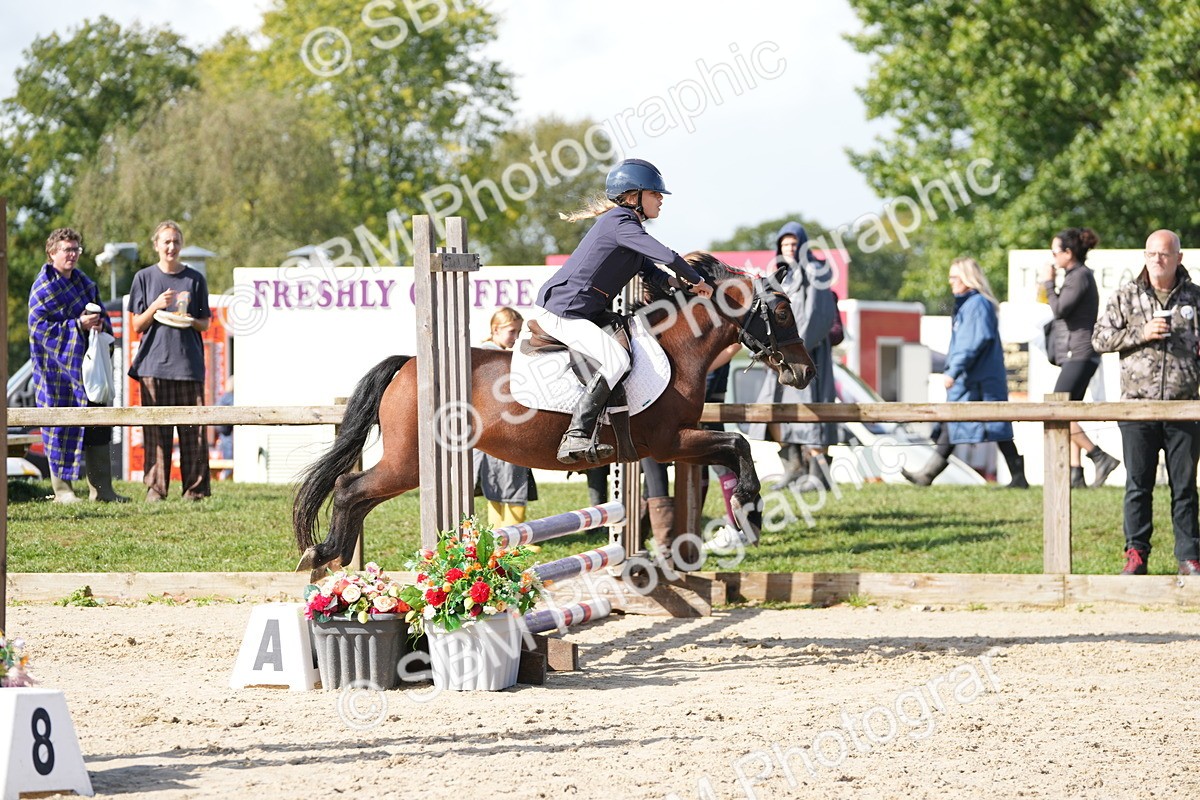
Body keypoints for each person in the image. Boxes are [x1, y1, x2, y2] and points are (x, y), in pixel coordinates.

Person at [534, 158, 713, 465]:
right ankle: (576, 433)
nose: (660, 200)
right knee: (616, 358)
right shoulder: (620, 223)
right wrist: (697, 280)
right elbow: (666, 255)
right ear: (633, 197)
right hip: (564, 311)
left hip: (585, 311)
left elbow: (650, 269)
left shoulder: (626, 227)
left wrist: (675, 283)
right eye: (655, 194)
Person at [1092, 230, 1200, 576]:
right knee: (1138, 485)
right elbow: (1099, 338)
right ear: (1144, 256)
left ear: (1178, 258)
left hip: (1184, 407)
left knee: (1184, 488)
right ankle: (1136, 554)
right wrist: (1141, 333)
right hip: (1137, 407)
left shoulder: (1196, 299)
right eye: (1152, 254)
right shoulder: (1126, 296)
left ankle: (1188, 556)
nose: (1158, 260)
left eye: (1165, 254)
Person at [902, 257, 1029, 488]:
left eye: (954, 277)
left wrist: (953, 371)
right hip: (975, 380)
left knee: (994, 425)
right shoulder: (971, 304)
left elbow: (972, 343)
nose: (950, 282)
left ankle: (928, 475)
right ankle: (928, 475)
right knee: (962, 423)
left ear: (968, 278)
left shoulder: (977, 304)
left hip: (978, 381)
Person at [27, 227, 128, 503]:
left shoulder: (84, 283)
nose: (72, 254)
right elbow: (39, 328)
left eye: (76, 249)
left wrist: (96, 324)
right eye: (67, 249)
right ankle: (63, 491)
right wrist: (76, 326)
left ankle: (102, 490)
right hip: (55, 373)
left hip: (88, 370)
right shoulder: (43, 287)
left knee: (97, 424)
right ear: (52, 253)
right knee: (60, 429)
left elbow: (103, 317)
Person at [745, 222, 838, 490]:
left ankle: (818, 476)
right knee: (772, 411)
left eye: (794, 244)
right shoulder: (778, 276)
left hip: (805, 355)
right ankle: (793, 467)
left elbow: (818, 316)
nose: (789, 249)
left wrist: (796, 353)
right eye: (785, 244)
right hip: (779, 358)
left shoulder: (816, 271)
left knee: (812, 412)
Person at [127, 220, 212, 502]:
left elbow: (204, 323)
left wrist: (190, 320)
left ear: (181, 244)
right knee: (156, 434)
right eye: (166, 242)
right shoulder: (144, 278)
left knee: (194, 433)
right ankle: (156, 490)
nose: (171, 247)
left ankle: (195, 491)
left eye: (175, 241)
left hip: (189, 366)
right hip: (153, 366)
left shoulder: (195, 279)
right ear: (156, 245)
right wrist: (156, 305)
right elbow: (137, 325)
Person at [1040, 227, 1120, 488]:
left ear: (1068, 252)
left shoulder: (1080, 276)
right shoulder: (1076, 276)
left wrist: (1049, 283)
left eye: (1055, 252)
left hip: (1081, 353)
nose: (1052, 258)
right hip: (1077, 353)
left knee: (1056, 411)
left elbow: (1061, 309)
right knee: (1069, 408)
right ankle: (1076, 473)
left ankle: (1098, 456)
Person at [475, 308, 536, 526]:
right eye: (512, 331)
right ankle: (508, 535)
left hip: (500, 428)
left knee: (503, 482)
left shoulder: (501, 355)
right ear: (495, 330)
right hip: (498, 428)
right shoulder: (490, 356)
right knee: (507, 482)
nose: (517, 337)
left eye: (519, 331)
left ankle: (505, 532)